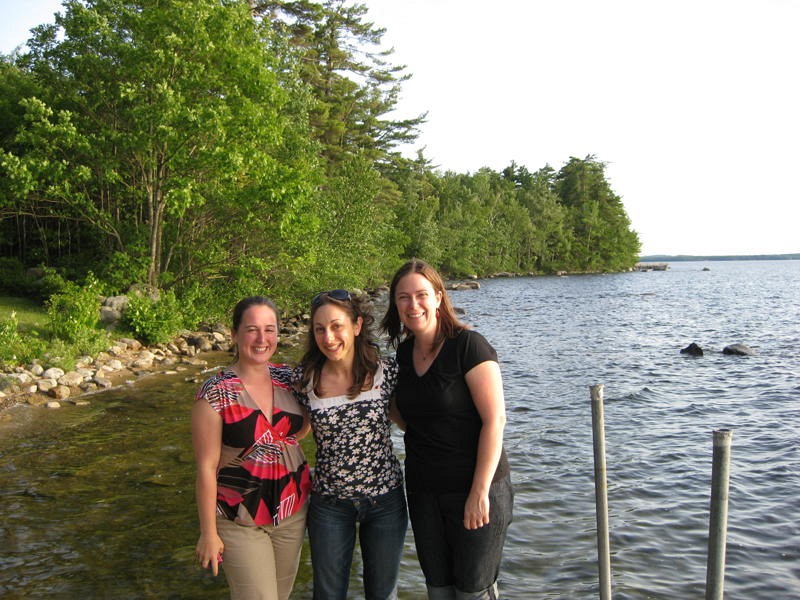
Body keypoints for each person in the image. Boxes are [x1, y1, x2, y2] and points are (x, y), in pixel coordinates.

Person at [381, 259, 513, 600]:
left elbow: (495, 420)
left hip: (475, 488)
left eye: (421, 295)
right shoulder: (404, 354)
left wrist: (479, 492)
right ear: (395, 304)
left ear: (439, 297)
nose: (413, 305)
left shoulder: (469, 346)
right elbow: (407, 415)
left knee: (473, 592)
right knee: (438, 590)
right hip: (424, 491)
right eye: (403, 297)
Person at [192, 296, 311, 600]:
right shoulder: (216, 392)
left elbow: (304, 426)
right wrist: (208, 533)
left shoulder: (290, 379)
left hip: (292, 512)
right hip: (239, 518)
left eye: (270, 330)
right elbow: (206, 467)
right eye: (252, 330)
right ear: (234, 334)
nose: (262, 339)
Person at [295, 289, 408, 600]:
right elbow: (289, 429)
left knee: (383, 595)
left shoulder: (386, 372)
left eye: (336, 326)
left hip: (385, 502)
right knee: (328, 594)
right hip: (330, 505)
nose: (328, 337)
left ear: (357, 326)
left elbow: (413, 419)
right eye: (319, 329)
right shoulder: (305, 380)